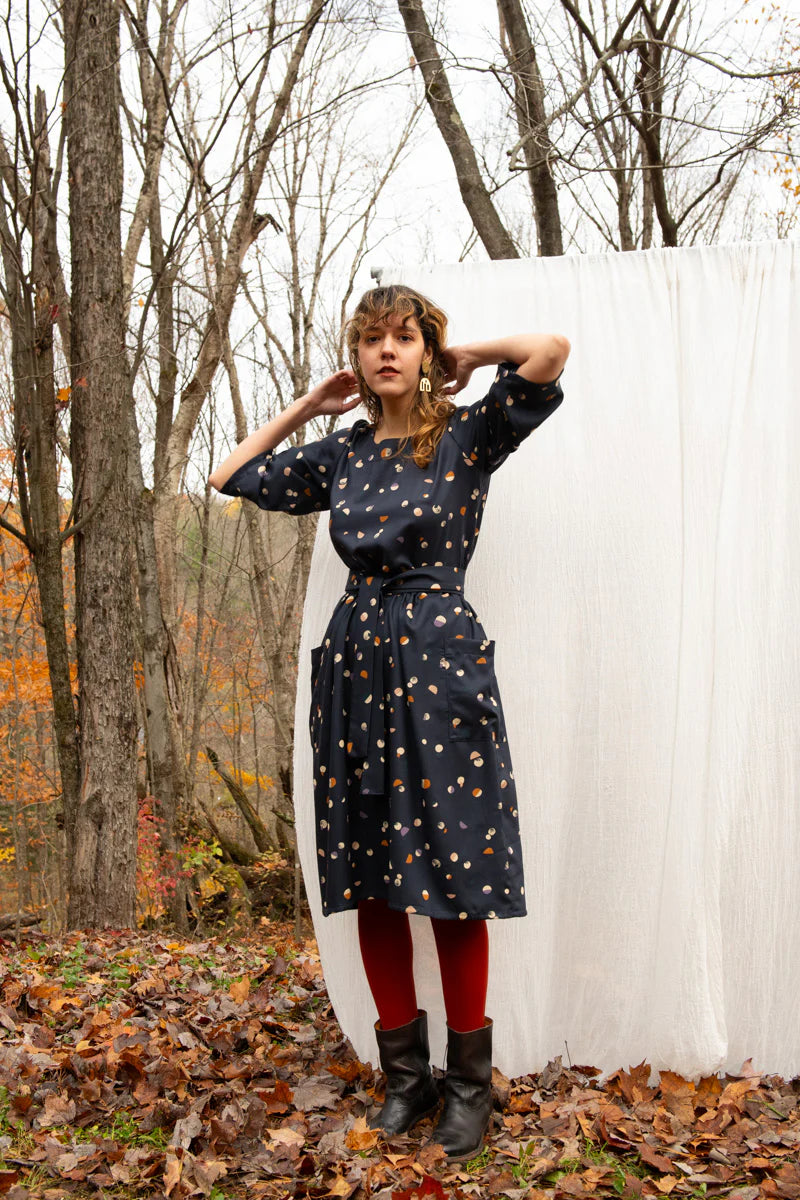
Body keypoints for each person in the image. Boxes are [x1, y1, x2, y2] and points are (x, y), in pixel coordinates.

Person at [209, 284, 570, 1161]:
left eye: (402, 338)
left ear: (423, 349)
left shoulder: (468, 435)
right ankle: (405, 1080)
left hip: (440, 667)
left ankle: (469, 1087)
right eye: (372, 340)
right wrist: (307, 405)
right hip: (357, 672)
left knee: (456, 870)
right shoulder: (340, 454)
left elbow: (551, 350)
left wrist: (470, 357)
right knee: (373, 875)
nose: (385, 352)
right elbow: (227, 477)